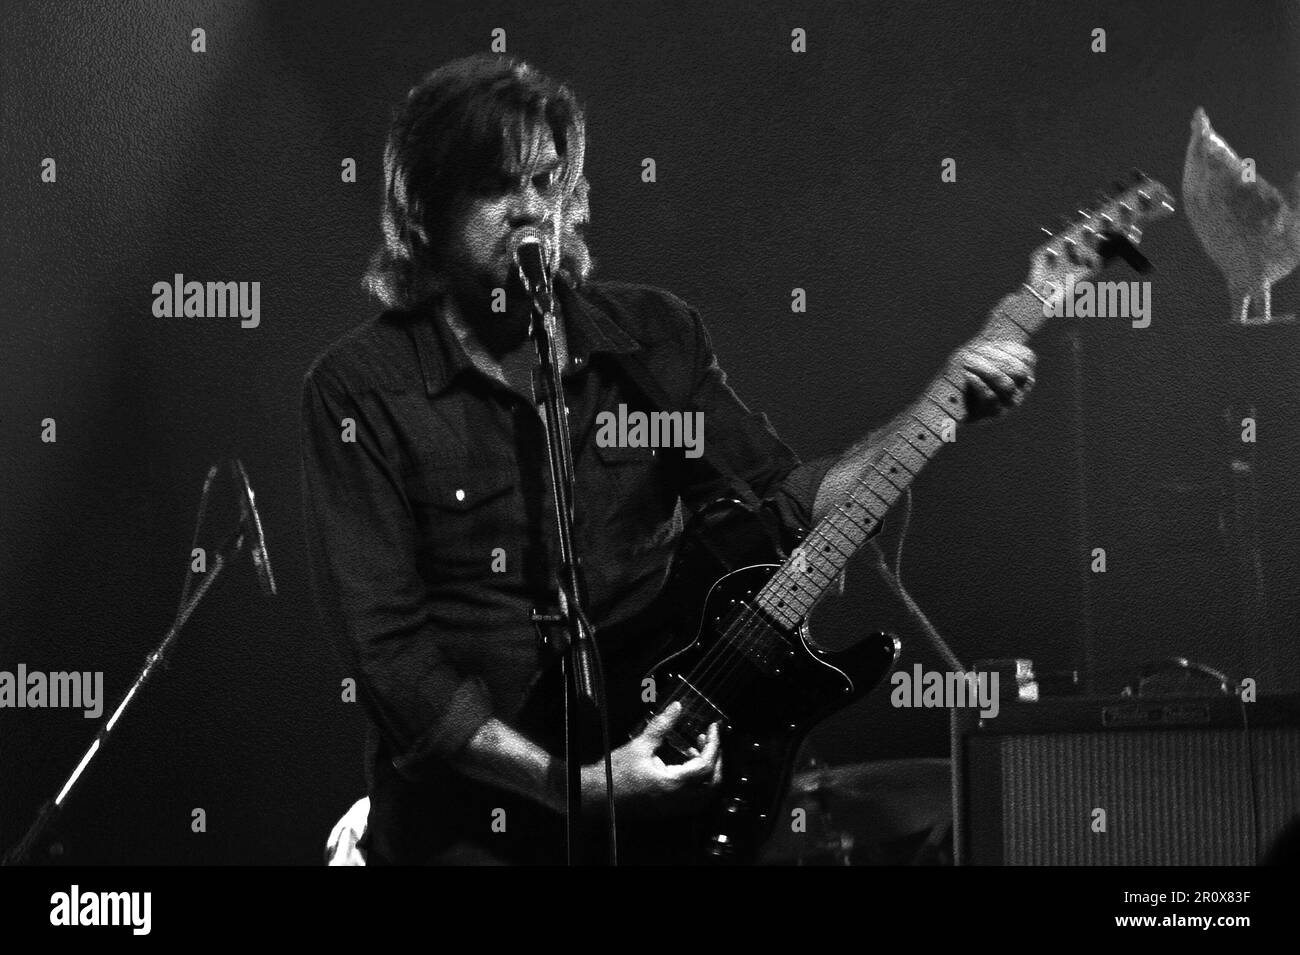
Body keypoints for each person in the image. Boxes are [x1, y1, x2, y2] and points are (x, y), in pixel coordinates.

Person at [300, 53, 1035, 865]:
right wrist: (572, 784)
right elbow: (391, 658)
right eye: (497, 186)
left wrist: (942, 397)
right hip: (475, 819)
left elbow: (784, 503)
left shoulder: (651, 338)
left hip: (658, 796)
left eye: (548, 182)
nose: (529, 211)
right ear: (427, 209)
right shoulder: (360, 390)